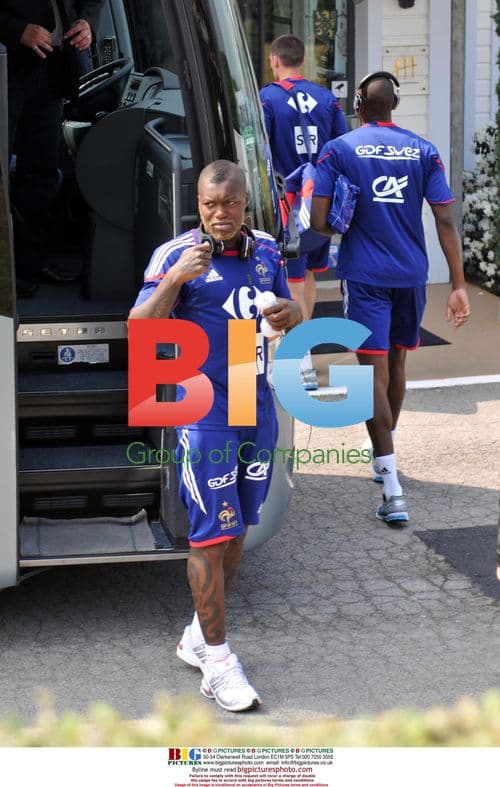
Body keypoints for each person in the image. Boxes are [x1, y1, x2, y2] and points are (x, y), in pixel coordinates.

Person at [129, 160, 301, 712]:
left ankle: (197, 639)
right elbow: (139, 328)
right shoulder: (173, 254)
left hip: (255, 401)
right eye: (209, 205)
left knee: (236, 533)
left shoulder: (268, 250)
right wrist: (178, 278)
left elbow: (284, 307)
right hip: (202, 406)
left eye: (229, 204)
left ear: (245, 203)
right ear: (197, 205)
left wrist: (292, 311)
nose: (219, 214)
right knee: (209, 533)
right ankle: (220, 662)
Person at [310, 71, 470, 524]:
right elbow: (444, 219)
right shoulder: (424, 150)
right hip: (410, 276)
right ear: (394, 105)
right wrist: (458, 285)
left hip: (365, 277)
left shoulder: (338, 150)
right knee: (397, 366)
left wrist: (340, 218)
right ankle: (386, 454)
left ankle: (393, 485)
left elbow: (321, 222)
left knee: (372, 376)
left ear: (358, 104)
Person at [260, 34, 348, 390]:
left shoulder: (267, 98)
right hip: (321, 204)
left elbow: (260, 152)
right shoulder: (327, 99)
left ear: (274, 60)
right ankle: (304, 350)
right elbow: (341, 148)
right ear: (302, 62)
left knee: (293, 281)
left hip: (290, 205)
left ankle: (301, 362)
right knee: (309, 275)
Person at [0, 1, 105, 297]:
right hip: (6, 68)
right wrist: (17, 30)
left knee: (41, 175)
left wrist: (87, 24)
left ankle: (25, 272)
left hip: (52, 74)